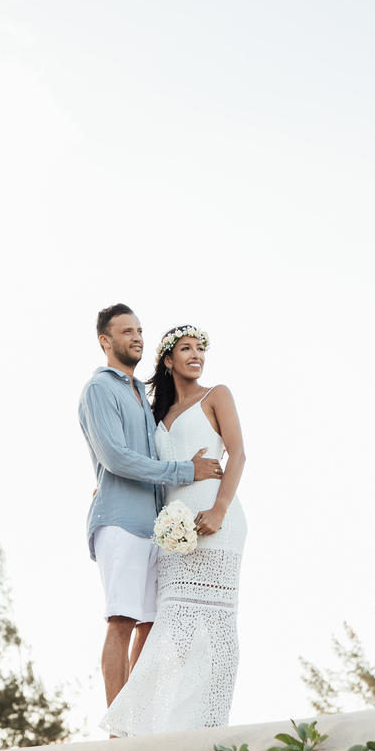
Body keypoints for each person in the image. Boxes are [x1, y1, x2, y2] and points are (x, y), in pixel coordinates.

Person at [99, 323, 247, 737]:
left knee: (216, 628)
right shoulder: (156, 415)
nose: (196, 354)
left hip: (217, 522)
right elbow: (134, 462)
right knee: (171, 630)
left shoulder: (217, 395)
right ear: (168, 359)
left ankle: (210, 726)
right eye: (186, 348)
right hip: (173, 533)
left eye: (200, 348)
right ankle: (145, 726)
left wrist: (219, 508)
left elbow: (238, 454)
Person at [78, 305, 224, 718]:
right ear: (106, 341)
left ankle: (134, 718)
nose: (136, 337)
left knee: (151, 625)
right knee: (122, 621)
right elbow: (116, 458)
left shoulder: (141, 394)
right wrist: (183, 469)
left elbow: (156, 448)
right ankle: (116, 729)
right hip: (121, 522)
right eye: (126, 331)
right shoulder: (99, 389)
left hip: (154, 527)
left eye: (140, 330)